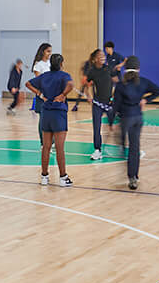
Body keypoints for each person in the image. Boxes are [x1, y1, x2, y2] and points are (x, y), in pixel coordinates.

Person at [108, 64, 159, 190]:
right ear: (138, 69)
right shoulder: (143, 82)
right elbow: (158, 91)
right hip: (138, 118)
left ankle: (122, 149)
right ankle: (133, 177)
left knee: (122, 138)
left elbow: (115, 105)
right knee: (135, 147)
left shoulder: (121, 85)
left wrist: (111, 122)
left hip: (126, 118)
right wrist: (146, 100)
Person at [28, 53, 74, 187]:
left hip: (46, 113)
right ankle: (63, 177)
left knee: (46, 147)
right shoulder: (65, 76)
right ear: (61, 64)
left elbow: (28, 84)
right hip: (58, 114)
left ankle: (44, 177)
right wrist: (62, 94)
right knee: (59, 148)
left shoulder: (44, 76)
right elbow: (70, 85)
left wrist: (40, 94)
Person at [83, 48, 118, 161]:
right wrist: (88, 96)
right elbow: (86, 86)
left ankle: (121, 146)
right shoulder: (92, 71)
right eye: (100, 56)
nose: (103, 57)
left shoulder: (109, 69)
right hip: (97, 104)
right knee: (96, 128)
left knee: (114, 126)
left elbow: (116, 82)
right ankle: (97, 150)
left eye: (103, 55)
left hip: (110, 103)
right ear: (95, 59)